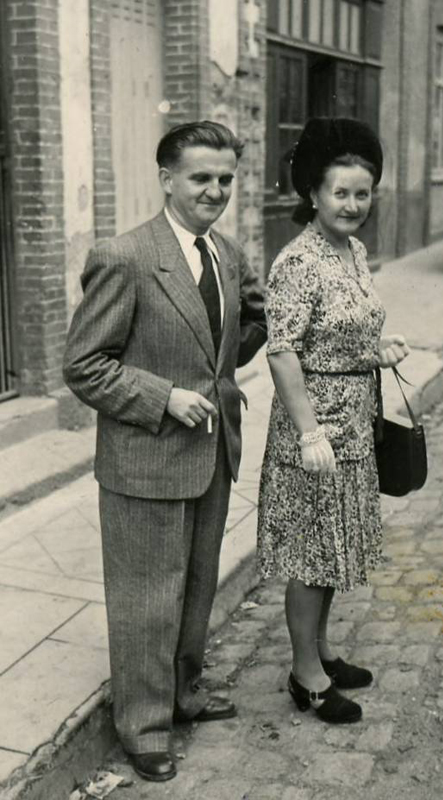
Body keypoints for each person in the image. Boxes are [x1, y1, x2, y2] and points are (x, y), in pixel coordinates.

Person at [63, 121, 266, 781]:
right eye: (200, 178)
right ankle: (144, 727)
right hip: (145, 458)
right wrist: (164, 397)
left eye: (225, 179)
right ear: (166, 180)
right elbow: (84, 365)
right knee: (147, 600)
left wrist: (229, 364)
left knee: (196, 588)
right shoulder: (124, 257)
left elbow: (243, 328)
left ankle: (183, 693)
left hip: (211, 452)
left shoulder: (225, 253)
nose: (215, 191)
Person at [257, 117, 410, 724]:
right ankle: (306, 676)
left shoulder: (354, 252)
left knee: (333, 547)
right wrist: (309, 432)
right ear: (314, 194)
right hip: (315, 432)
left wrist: (377, 349)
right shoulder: (298, 262)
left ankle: (320, 651)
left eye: (362, 193)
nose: (352, 204)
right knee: (311, 552)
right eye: (340, 192)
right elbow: (282, 351)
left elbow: (339, 333)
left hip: (354, 423)